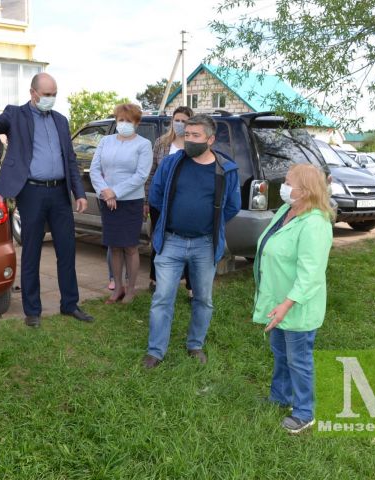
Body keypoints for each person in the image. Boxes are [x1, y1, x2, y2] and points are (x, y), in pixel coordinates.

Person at [0, 72, 93, 326]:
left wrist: (79, 192)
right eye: (46, 95)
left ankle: (70, 304)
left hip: (59, 193)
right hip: (31, 192)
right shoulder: (16, 115)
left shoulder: (61, 121)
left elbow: (70, 159)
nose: (51, 99)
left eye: (54, 94)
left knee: (67, 250)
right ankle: (32, 311)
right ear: (33, 93)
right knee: (31, 251)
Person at [143, 114, 241, 368]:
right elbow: (156, 195)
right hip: (171, 241)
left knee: (203, 298)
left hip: (204, 245)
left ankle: (195, 345)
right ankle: (155, 351)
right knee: (163, 296)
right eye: (187, 135)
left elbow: (232, 206)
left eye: (195, 136)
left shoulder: (225, 169)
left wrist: (209, 225)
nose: (189, 140)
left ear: (210, 139)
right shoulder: (172, 163)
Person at [251, 164, 334, 434]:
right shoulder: (288, 211)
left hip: (296, 306)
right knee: (280, 354)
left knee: (298, 359)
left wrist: (286, 304)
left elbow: (310, 274)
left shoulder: (315, 223)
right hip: (278, 302)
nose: (283, 187)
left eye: (289, 183)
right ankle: (280, 396)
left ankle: (303, 412)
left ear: (306, 191)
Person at [90, 103, 152, 304]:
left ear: (137, 123)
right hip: (108, 201)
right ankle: (118, 288)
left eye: (128, 121)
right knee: (114, 246)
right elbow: (94, 170)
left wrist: (115, 192)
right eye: (120, 120)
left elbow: (141, 175)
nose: (124, 124)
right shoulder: (105, 141)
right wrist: (106, 192)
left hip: (130, 201)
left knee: (130, 247)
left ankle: (131, 289)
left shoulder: (143, 145)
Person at [147, 106, 194, 297]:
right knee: (159, 239)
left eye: (184, 121)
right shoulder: (161, 143)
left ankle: (191, 287)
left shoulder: (194, 144)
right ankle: (155, 278)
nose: (180, 124)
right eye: (177, 120)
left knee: (189, 242)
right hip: (160, 200)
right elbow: (152, 172)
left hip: (185, 202)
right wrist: (146, 198)